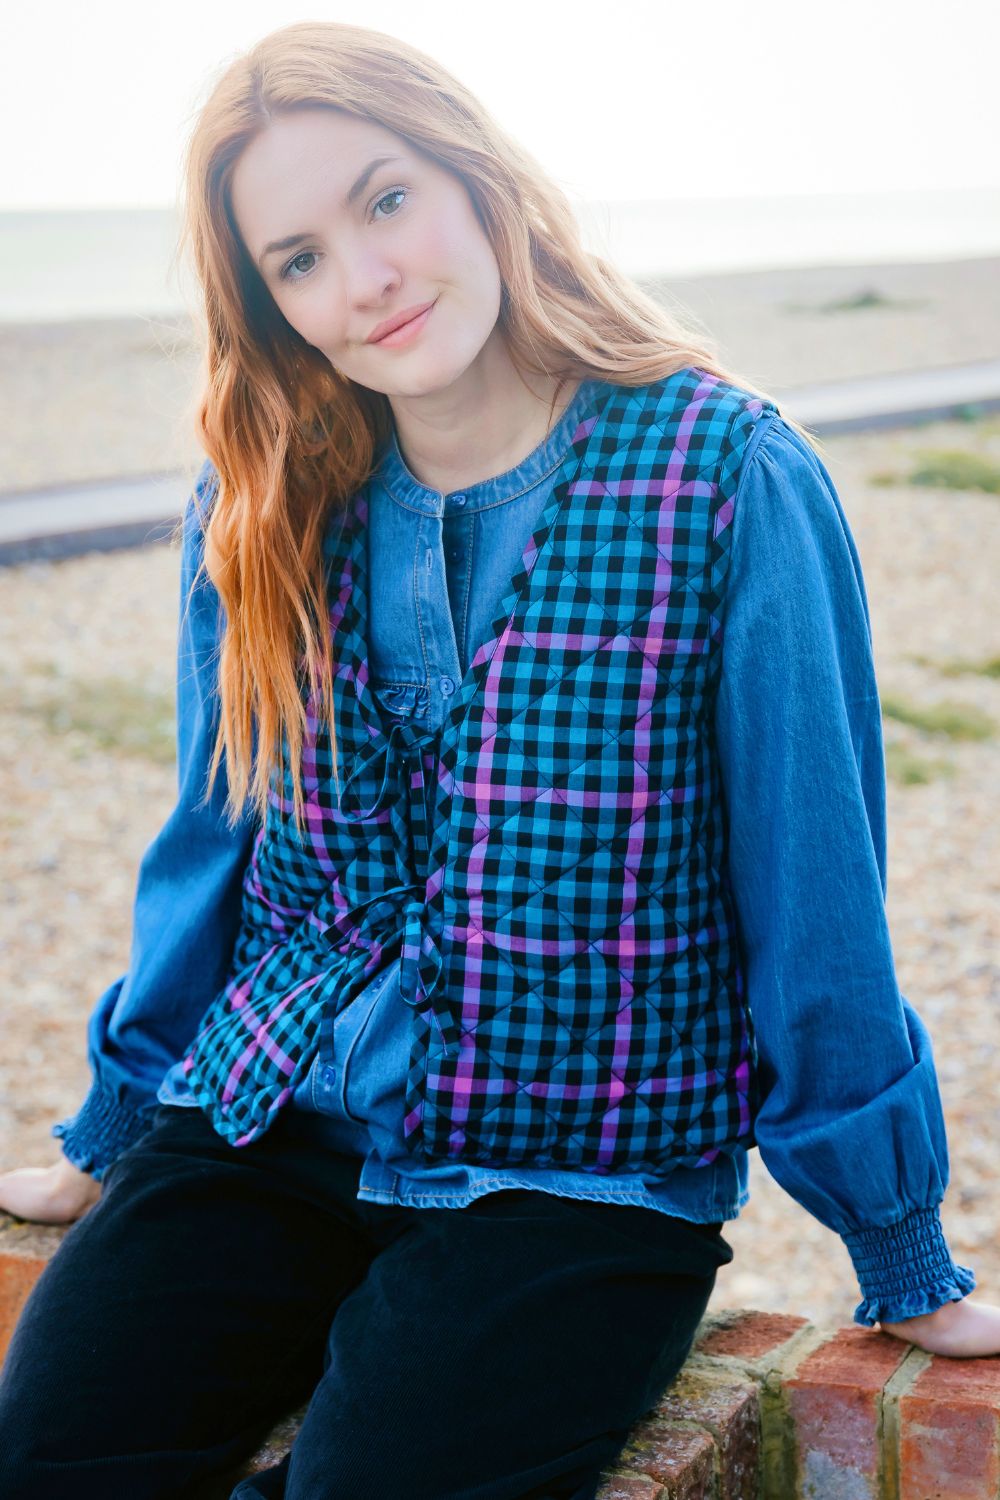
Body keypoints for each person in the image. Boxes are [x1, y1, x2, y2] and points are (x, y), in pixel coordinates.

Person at [1, 18, 997, 1500]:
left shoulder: (728, 474)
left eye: (387, 200)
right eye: (300, 259)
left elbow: (817, 890)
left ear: (478, 177)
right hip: (271, 1117)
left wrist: (895, 1240)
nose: (366, 277)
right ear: (274, 306)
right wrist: (116, 1122)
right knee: (49, 1456)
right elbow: (210, 843)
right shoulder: (263, 496)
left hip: (578, 1170)